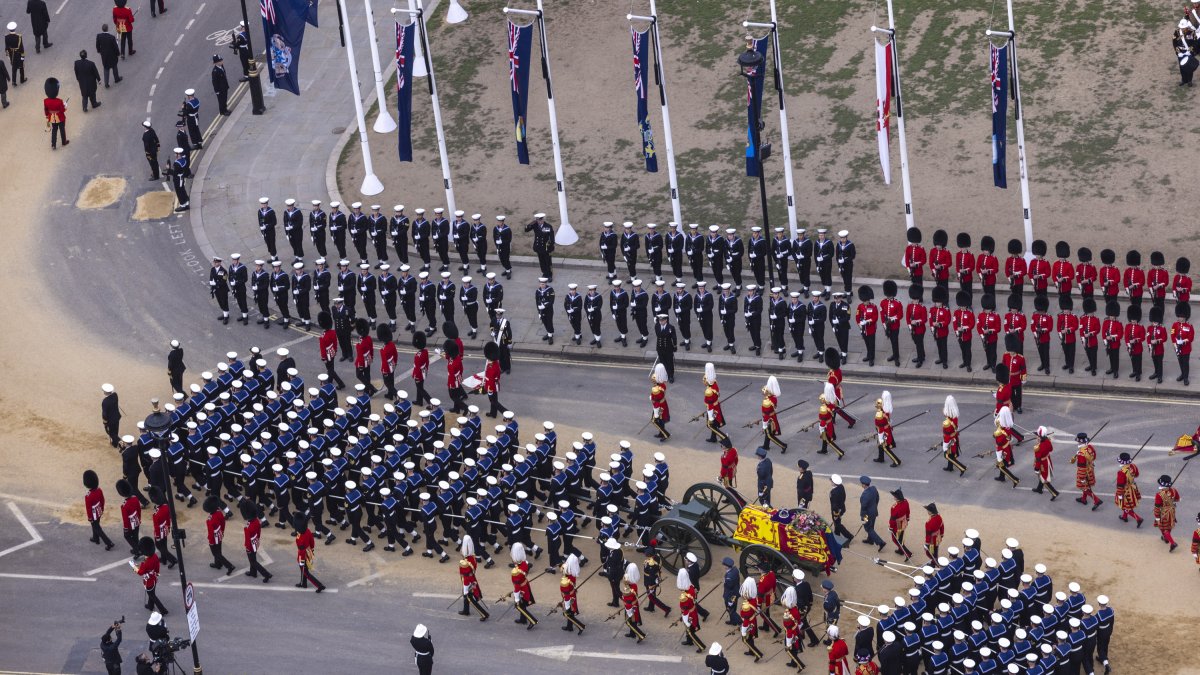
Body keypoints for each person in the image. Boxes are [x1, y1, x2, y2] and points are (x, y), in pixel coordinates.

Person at [203, 496, 236, 575]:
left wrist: (211, 541)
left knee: (216, 554)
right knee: (218, 551)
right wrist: (222, 532)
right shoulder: (219, 512)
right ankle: (218, 564)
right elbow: (223, 523)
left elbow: (211, 533)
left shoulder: (210, 520)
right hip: (220, 535)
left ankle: (229, 566)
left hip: (214, 538)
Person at [84, 470, 115, 550]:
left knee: (97, 528)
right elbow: (102, 500)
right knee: (95, 525)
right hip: (99, 511)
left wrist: (90, 518)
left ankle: (108, 543)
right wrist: (102, 509)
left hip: (93, 514)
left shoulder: (88, 496)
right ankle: (95, 538)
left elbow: (89, 508)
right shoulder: (99, 490)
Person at [1115, 452, 1143, 526]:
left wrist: (1120, 495)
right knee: (1127, 505)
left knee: (1126, 506)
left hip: (1125, 491)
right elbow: (1136, 475)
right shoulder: (1133, 466)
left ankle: (1138, 518)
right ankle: (1124, 517)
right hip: (1132, 488)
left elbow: (1120, 485)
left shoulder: (1121, 472)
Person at [1154, 474, 1181, 552]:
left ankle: (1172, 543)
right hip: (1171, 511)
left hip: (1164, 513)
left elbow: (1157, 508)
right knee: (1169, 525)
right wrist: (1171, 502)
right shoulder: (1174, 490)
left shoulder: (1159, 495)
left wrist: (1157, 518)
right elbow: (1177, 499)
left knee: (1163, 527)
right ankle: (1166, 538)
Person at [859, 475, 885, 551]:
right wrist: (874, 506)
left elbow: (863, 507)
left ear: (864, 485)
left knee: (868, 528)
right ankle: (870, 540)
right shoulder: (874, 488)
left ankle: (880, 542)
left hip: (867, 514)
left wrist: (863, 517)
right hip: (874, 512)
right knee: (871, 526)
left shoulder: (865, 495)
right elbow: (877, 498)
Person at [43, 77, 68, 149]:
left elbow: (46, 110)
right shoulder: (59, 101)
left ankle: (53, 144)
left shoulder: (45, 101)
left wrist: (47, 115)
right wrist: (65, 105)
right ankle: (64, 142)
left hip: (52, 118)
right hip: (60, 117)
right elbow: (62, 110)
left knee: (54, 130)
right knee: (62, 130)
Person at [165, 148, 189, 212]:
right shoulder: (183, 160)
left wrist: (168, 169)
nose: (175, 155)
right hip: (181, 177)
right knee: (182, 190)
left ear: (179, 155)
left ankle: (183, 205)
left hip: (177, 179)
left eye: (176, 154)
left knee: (179, 192)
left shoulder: (177, 163)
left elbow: (175, 173)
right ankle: (186, 202)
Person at [5, 23, 26, 87]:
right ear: (15, 28)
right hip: (18, 54)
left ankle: (14, 82)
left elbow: (7, 47)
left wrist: (8, 56)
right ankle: (22, 80)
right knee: (21, 66)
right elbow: (21, 48)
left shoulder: (6, 37)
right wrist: (23, 57)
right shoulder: (19, 37)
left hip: (12, 55)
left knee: (14, 68)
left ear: (9, 29)